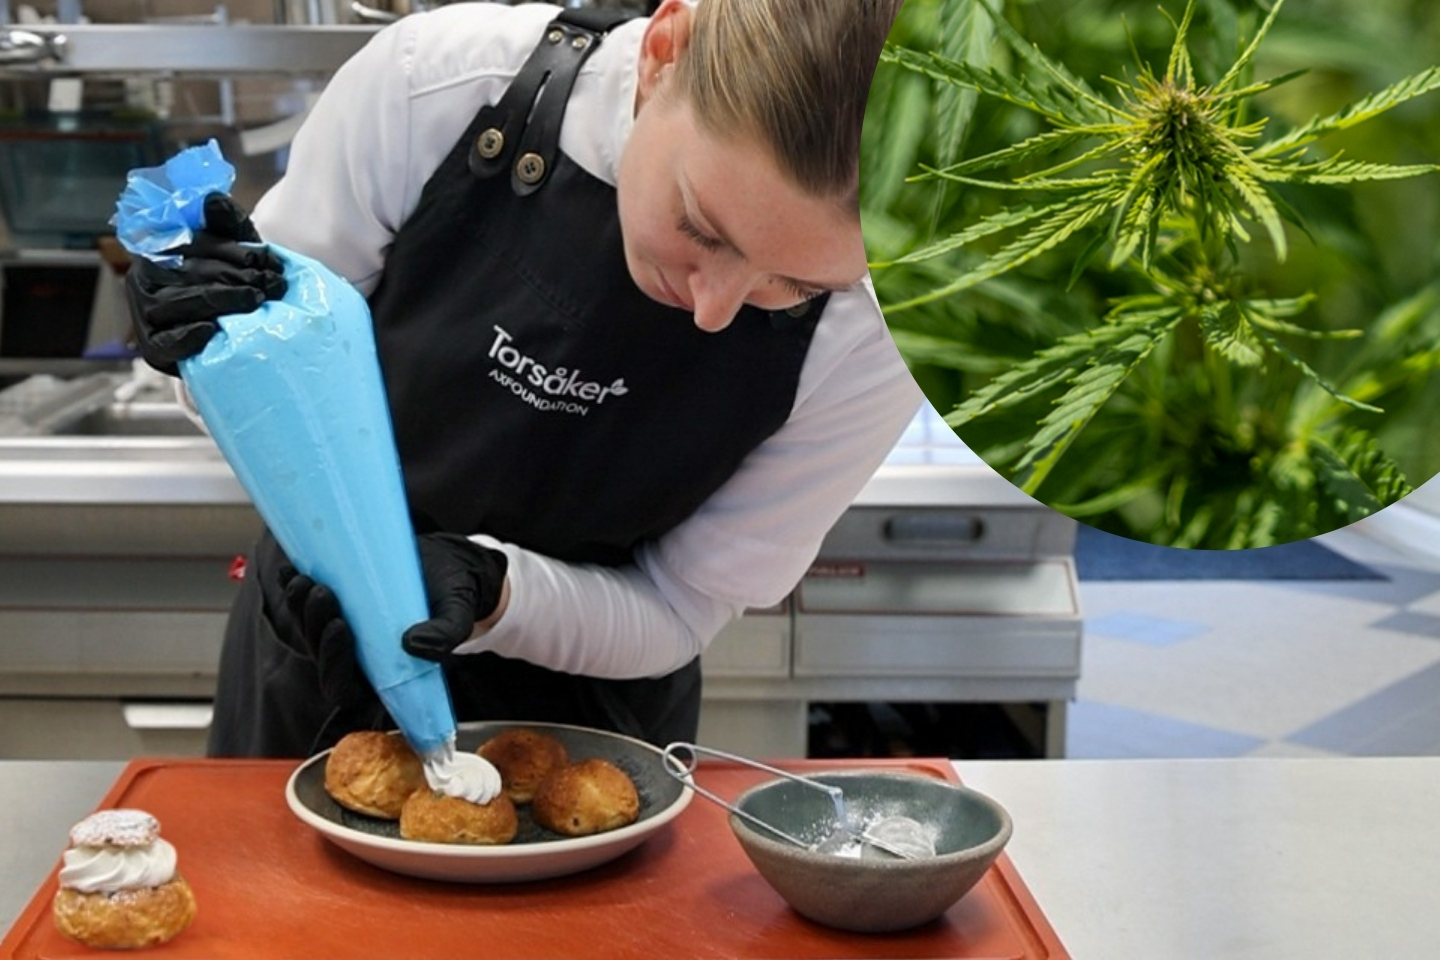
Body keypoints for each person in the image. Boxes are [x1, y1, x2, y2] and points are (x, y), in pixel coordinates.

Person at [125, 0, 922, 758]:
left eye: (798, 287)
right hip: (314, 656)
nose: (715, 310)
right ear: (662, 53)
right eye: (701, 227)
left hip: (593, 739)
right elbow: (255, 392)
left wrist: (497, 593)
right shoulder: (435, 88)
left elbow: (682, 604)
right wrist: (209, 338)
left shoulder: (899, 319)